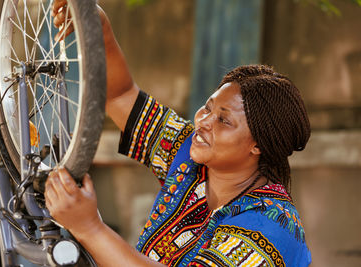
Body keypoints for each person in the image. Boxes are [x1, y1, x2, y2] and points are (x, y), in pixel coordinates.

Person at [45, 1, 312, 266]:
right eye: (208, 107)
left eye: (224, 120)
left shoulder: (268, 227)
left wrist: (90, 228)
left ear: (258, 145)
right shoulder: (190, 158)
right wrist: (96, 27)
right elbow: (121, 96)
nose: (204, 121)